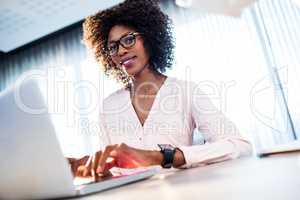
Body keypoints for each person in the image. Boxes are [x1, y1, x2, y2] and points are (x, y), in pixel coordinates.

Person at [69, 0, 252, 178]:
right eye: (113, 46)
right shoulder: (108, 106)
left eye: (129, 40)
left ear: (149, 37)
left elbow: (239, 146)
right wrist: (86, 167)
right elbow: (113, 171)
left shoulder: (185, 91)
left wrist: (159, 156)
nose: (121, 51)